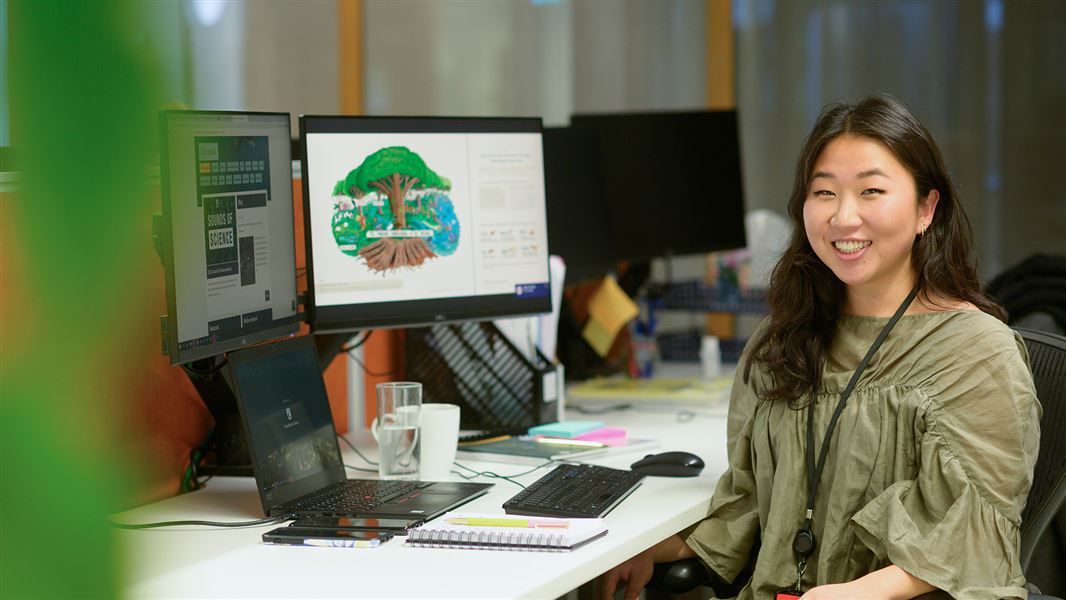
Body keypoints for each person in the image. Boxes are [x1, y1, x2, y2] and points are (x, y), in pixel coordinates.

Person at [598, 94, 1041, 600]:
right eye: (824, 192)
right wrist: (652, 549)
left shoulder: (976, 351)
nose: (844, 217)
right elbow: (752, 504)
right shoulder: (781, 342)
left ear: (926, 208)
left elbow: (973, 535)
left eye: (871, 190)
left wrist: (856, 594)